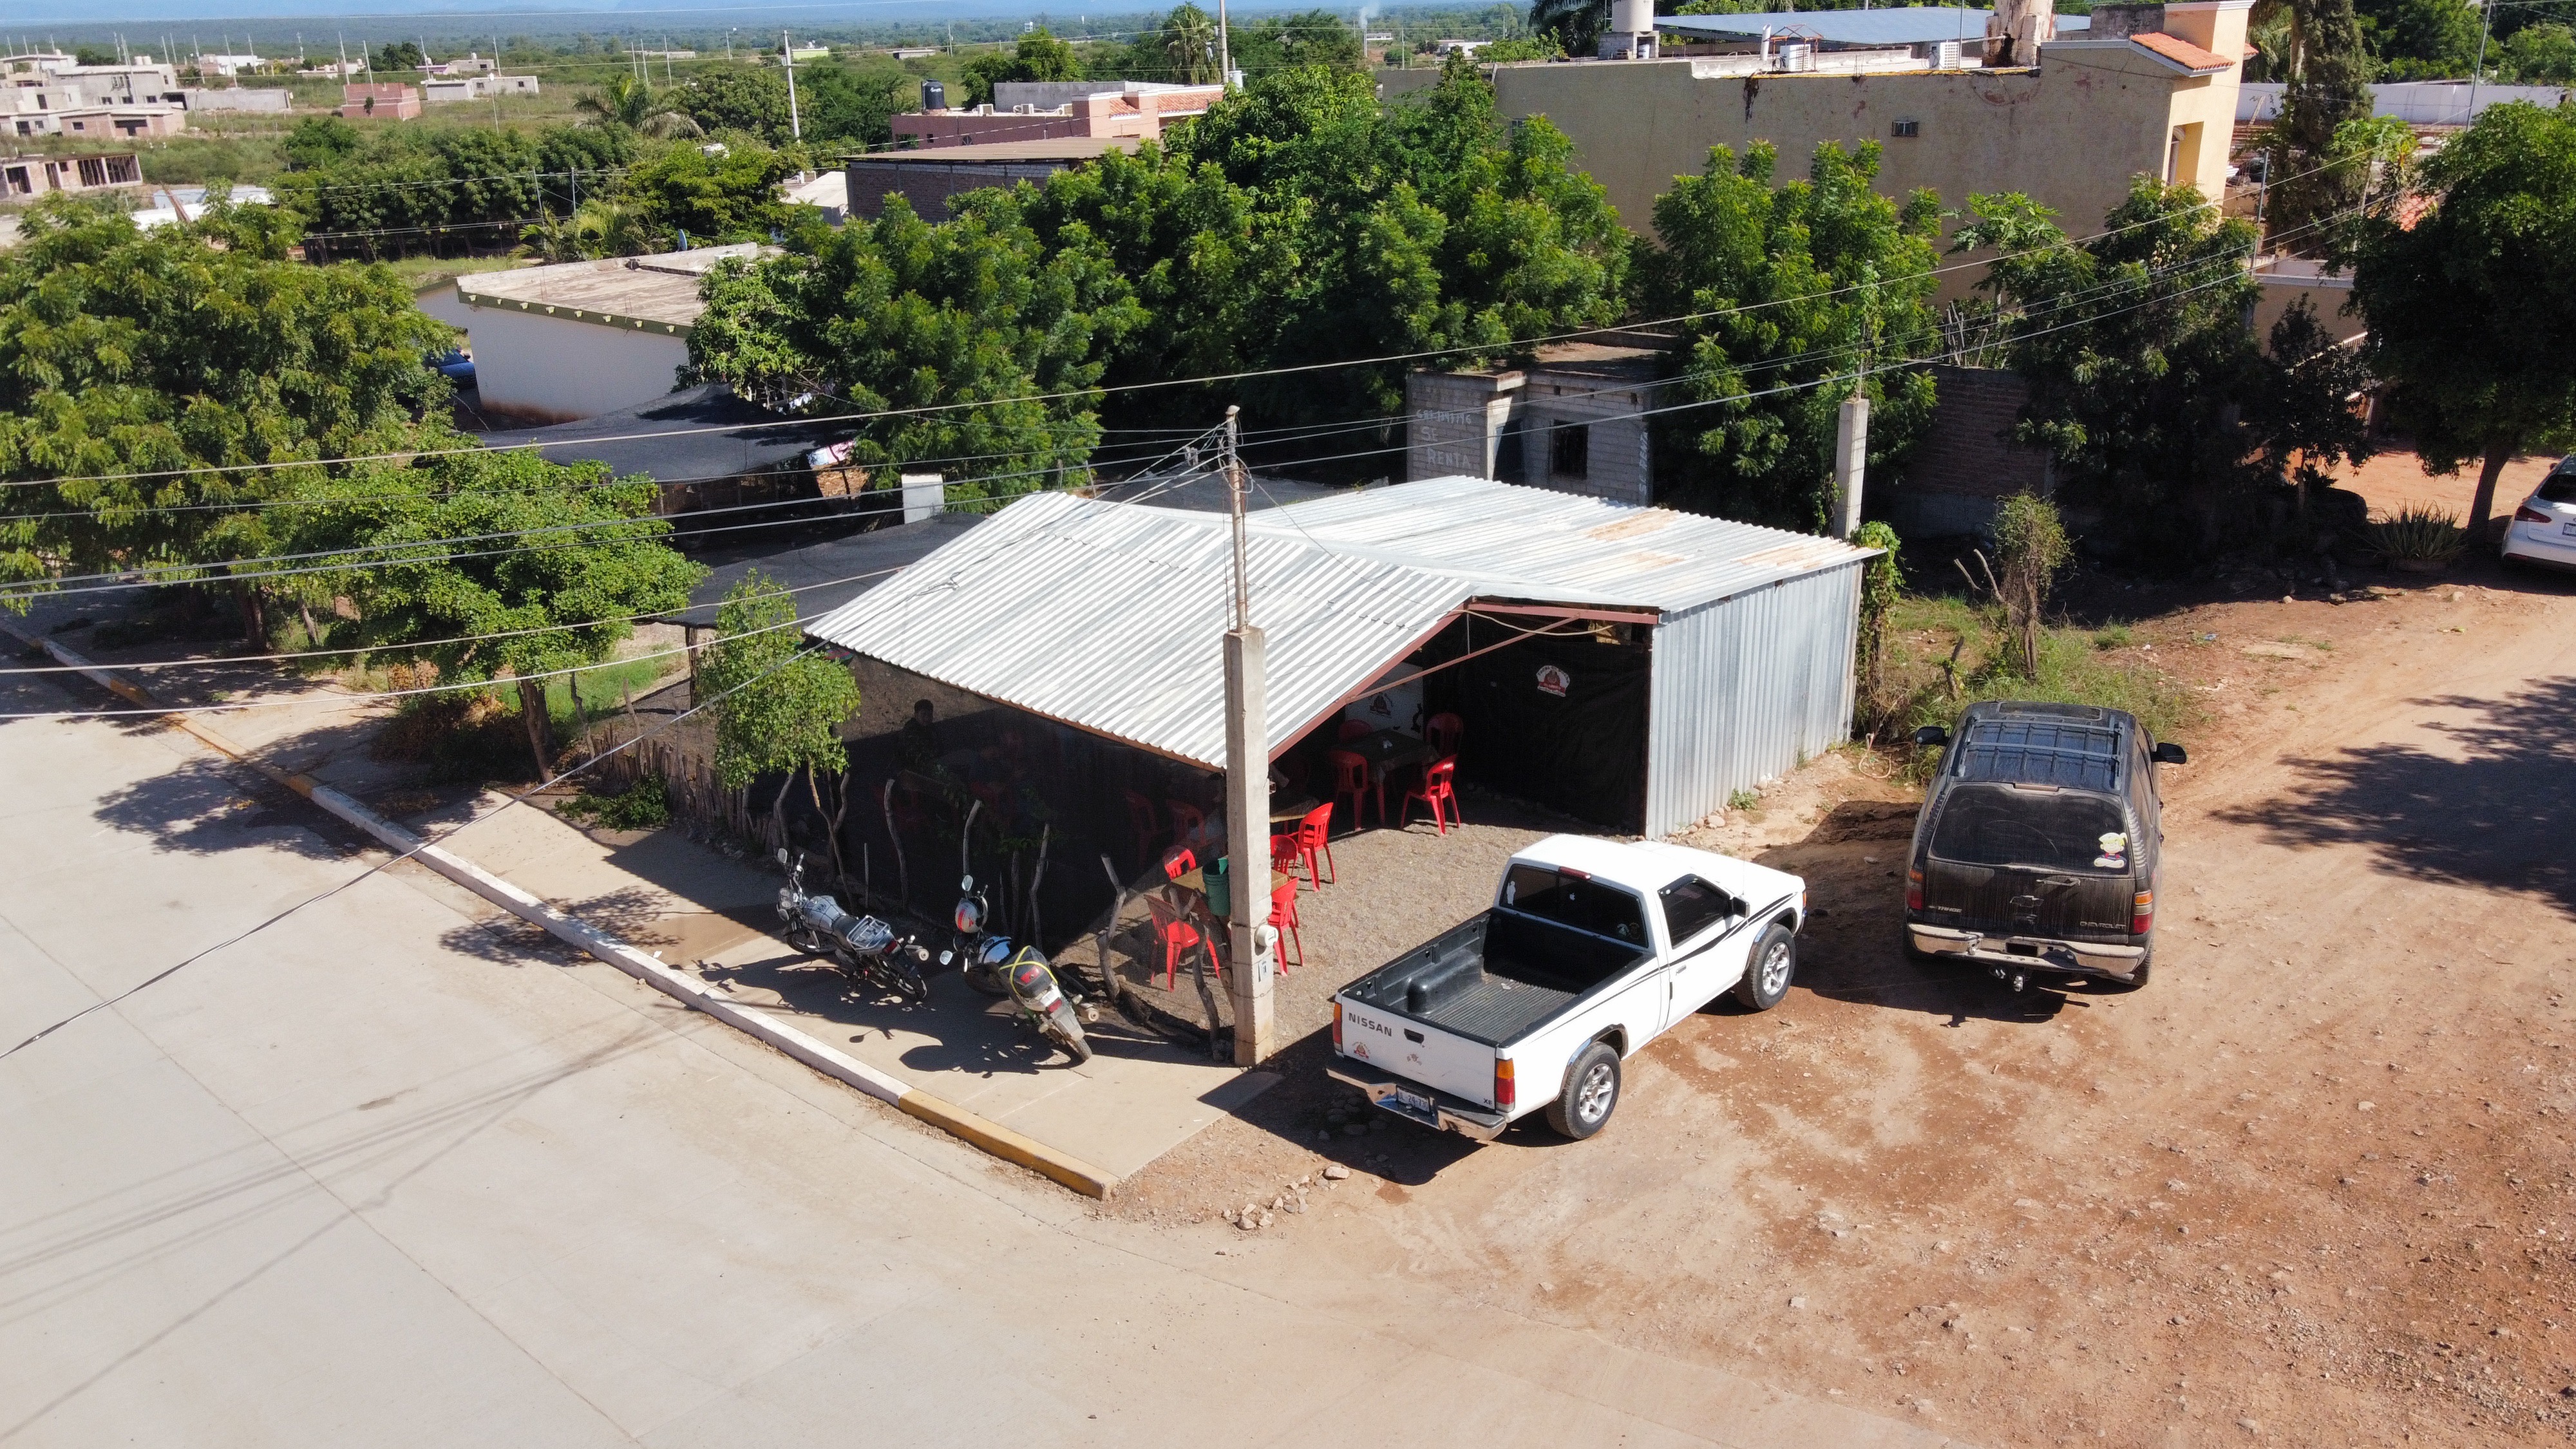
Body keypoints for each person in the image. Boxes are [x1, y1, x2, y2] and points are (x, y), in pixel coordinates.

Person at [898, 699, 938, 774]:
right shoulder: (910, 732)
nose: (927, 718)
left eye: (929, 715)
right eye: (923, 715)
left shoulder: (930, 729)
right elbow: (915, 759)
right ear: (916, 715)